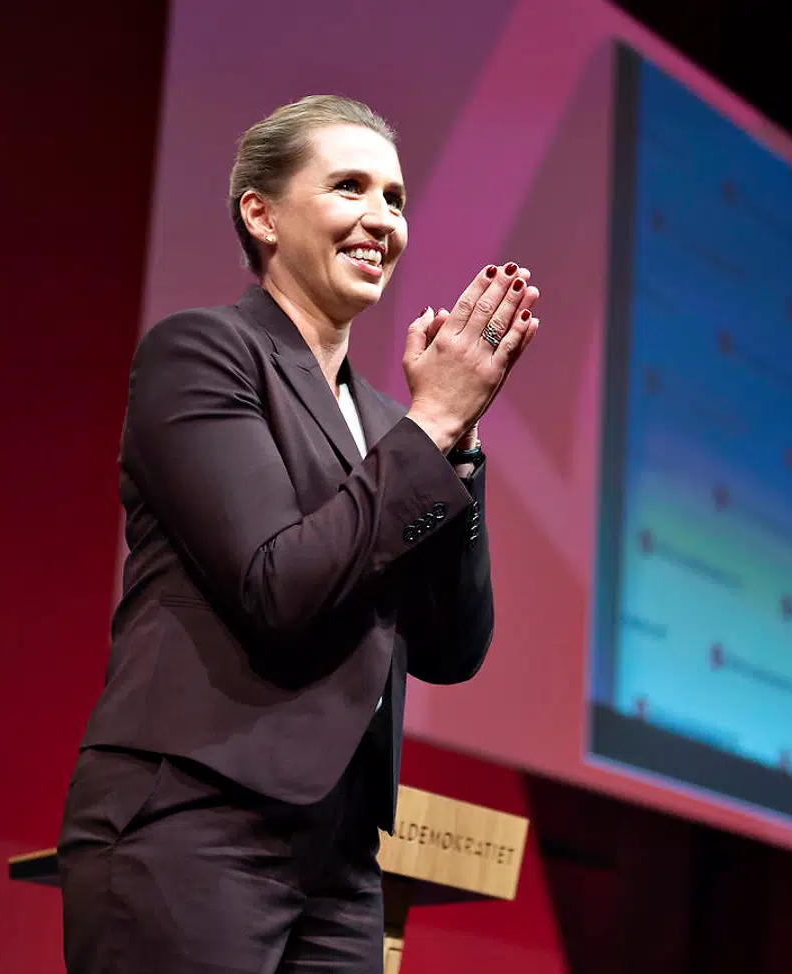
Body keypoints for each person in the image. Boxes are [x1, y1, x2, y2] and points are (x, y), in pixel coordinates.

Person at [54, 95, 540, 973]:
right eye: (349, 187)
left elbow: (450, 646)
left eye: (394, 198)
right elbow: (277, 584)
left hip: (343, 856)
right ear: (262, 213)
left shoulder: (395, 423)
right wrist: (430, 431)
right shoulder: (202, 354)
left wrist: (457, 450)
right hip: (194, 817)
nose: (380, 220)